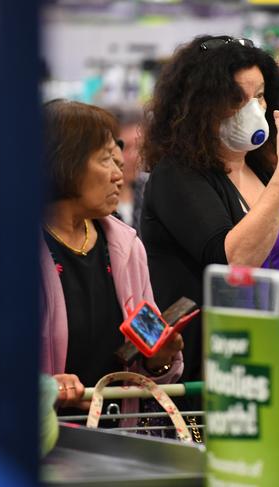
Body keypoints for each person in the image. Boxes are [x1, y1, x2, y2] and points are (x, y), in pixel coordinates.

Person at [140, 35, 279, 382]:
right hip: (206, 380)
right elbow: (233, 262)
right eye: (236, 98)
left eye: (260, 95)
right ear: (199, 106)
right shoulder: (177, 176)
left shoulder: (261, 170)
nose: (253, 109)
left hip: (270, 366)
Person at [40, 99, 183, 417]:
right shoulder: (15, 253)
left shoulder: (126, 248)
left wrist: (160, 356)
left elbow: (156, 370)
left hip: (117, 440)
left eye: (119, 162)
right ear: (65, 162)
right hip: (40, 444)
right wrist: (44, 387)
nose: (120, 175)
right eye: (107, 161)